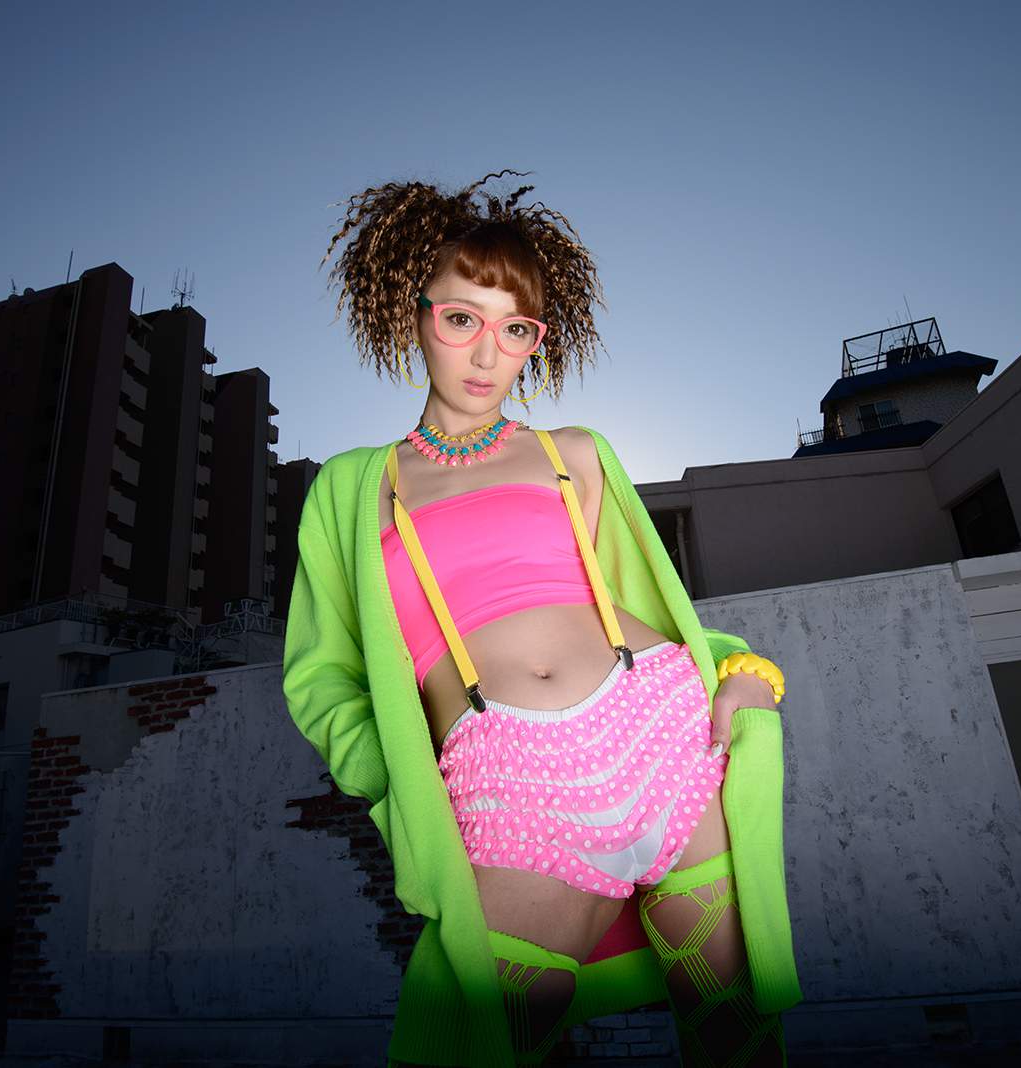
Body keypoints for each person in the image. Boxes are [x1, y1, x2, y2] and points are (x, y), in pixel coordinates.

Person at [283, 170, 801, 1067]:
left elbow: (651, 604)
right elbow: (321, 676)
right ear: (412, 313)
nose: (488, 355)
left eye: (515, 329)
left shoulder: (576, 455)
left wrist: (742, 672)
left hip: (661, 735)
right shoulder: (354, 488)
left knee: (736, 1041)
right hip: (504, 776)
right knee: (478, 1048)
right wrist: (401, 779)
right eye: (461, 319)